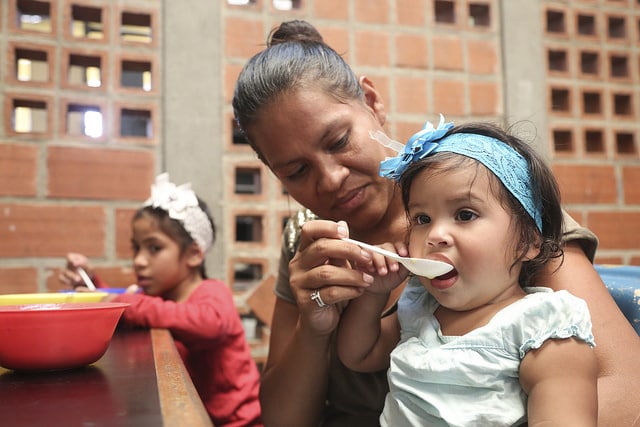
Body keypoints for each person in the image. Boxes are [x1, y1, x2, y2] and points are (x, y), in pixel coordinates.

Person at [232, 19, 640, 427]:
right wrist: (314, 326)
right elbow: (285, 420)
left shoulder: (493, 196)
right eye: (297, 171)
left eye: (339, 141)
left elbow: (626, 388)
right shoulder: (310, 244)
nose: (331, 178)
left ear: (372, 102)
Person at [336, 118, 598, 426]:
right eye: (422, 219)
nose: (436, 235)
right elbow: (358, 355)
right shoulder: (420, 309)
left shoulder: (543, 328)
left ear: (527, 241)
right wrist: (374, 294)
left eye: (464, 214)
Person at [59, 173, 263, 427]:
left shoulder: (211, 292)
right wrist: (93, 285)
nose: (139, 261)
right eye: (136, 248)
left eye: (154, 248)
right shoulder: (157, 298)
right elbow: (134, 306)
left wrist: (124, 303)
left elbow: (209, 324)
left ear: (193, 254)